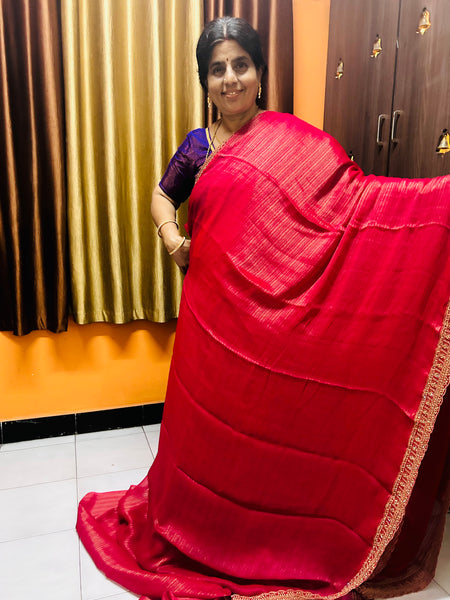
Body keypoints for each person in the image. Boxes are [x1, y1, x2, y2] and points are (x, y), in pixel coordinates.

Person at [77, 17, 450, 600]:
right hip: (213, 315)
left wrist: (435, 207)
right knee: (214, 425)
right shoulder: (199, 147)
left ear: (260, 74)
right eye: (217, 69)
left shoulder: (297, 141)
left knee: (265, 425)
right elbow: (160, 193)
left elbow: (351, 205)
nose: (230, 80)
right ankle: (206, 526)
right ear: (205, 81)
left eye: (240, 66)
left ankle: (266, 529)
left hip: (275, 321)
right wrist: (173, 238)